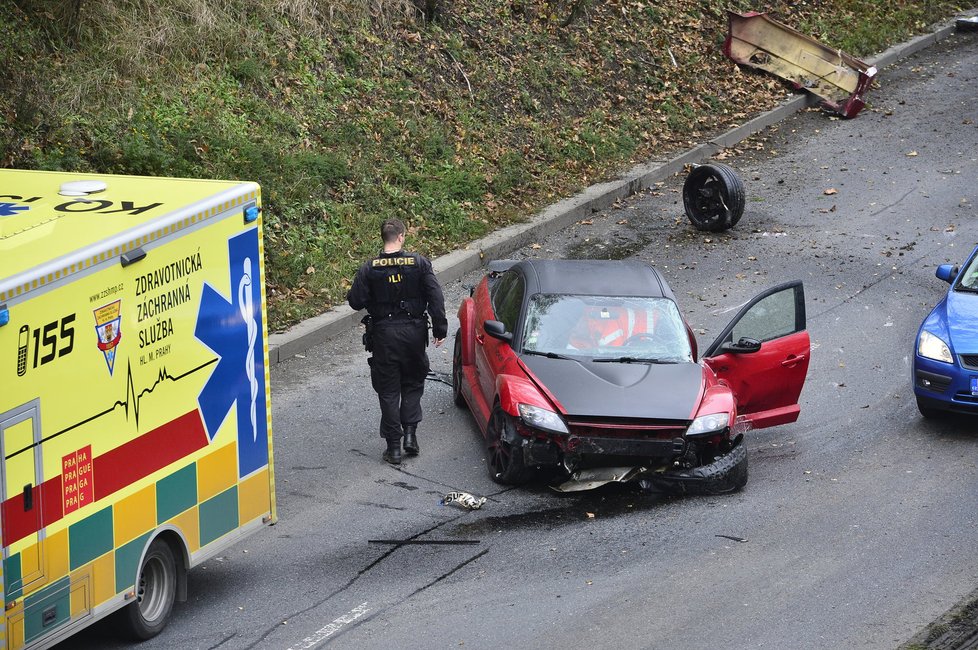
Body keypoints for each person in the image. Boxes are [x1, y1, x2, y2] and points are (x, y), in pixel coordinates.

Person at [347, 218, 447, 465]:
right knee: (412, 383)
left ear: (383, 237)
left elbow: (355, 301)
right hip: (414, 333)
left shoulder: (369, 268)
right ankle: (410, 436)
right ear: (401, 236)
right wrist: (440, 328)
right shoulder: (420, 263)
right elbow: (435, 295)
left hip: (384, 336)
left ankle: (393, 448)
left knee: (389, 390)